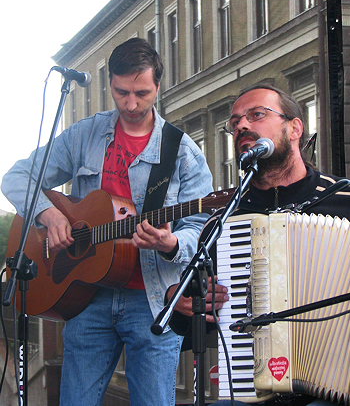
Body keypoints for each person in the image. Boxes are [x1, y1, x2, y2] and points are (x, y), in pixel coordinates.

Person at [1, 38, 215, 406]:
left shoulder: (182, 152)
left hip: (152, 300)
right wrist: (49, 214)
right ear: (110, 85)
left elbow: (201, 229)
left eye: (142, 93)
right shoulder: (84, 135)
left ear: (158, 86)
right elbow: (17, 177)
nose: (131, 104)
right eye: (121, 93)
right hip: (86, 295)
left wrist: (171, 244)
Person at [174, 82, 350, 406]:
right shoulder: (223, 224)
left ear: (295, 128)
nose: (242, 126)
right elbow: (191, 322)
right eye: (234, 123)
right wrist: (184, 303)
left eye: (256, 115)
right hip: (256, 391)